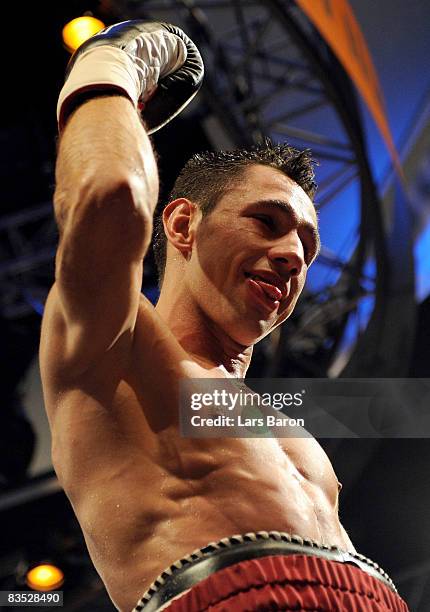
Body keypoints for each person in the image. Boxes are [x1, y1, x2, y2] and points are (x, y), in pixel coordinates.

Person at [39, 21, 408, 612]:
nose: (294, 254)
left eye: (309, 249)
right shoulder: (117, 352)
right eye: (267, 221)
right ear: (183, 224)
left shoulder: (287, 427)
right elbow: (110, 194)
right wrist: (108, 67)